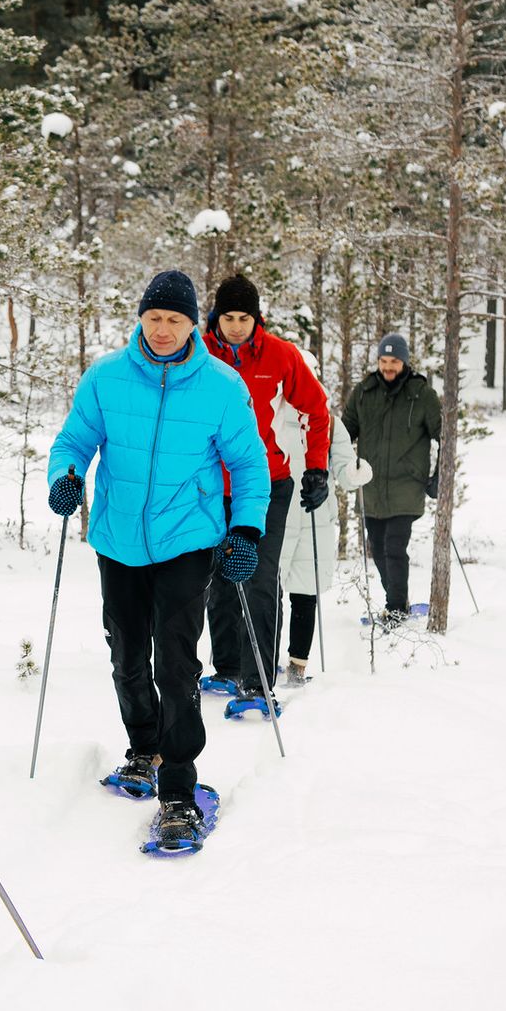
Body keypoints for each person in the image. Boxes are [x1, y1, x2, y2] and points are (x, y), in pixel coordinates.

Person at [46, 270, 269, 853]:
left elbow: (248, 466)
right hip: (117, 538)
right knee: (126, 652)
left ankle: (178, 790)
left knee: (175, 659)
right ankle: (142, 746)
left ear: (194, 324)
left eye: (174, 319)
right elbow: (74, 443)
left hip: (187, 539)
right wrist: (66, 477)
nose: (163, 329)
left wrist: (245, 528)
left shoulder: (222, 386)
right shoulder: (106, 378)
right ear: (140, 319)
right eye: (154, 318)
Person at [199, 274, 333, 704]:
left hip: (269, 485)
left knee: (259, 578)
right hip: (211, 487)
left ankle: (257, 683)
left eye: (244, 318)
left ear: (258, 318)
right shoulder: (197, 353)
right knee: (219, 578)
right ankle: (228, 669)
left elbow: (316, 409)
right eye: (228, 317)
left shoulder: (281, 355)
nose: (236, 327)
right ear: (216, 317)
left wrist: (316, 469)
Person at [273, 358, 374, 685]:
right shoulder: (267, 416)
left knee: (305, 593)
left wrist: (355, 473)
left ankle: (296, 667)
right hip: (275, 517)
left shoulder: (329, 424)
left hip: (315, 520)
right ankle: (264, 661)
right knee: (268, 592)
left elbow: (344, 469)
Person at [342, 332, 441, 627]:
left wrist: (439, 477)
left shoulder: (422, 394)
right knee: (378, 545)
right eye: (384, 361)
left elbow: (443, 436)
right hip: (371, 486)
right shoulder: (363, 392)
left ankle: (396, 609)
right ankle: (398, 600)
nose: (388, 367)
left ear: (405, 362)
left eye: (394, 361)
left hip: (406, 485)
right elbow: (344, 436)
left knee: (394, 547)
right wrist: (343, 468)